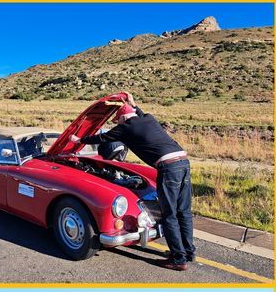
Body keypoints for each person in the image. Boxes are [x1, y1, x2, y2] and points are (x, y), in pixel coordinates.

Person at [82, 95, 194, 270]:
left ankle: (178, 259)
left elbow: (102, 139)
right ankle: (187, 251)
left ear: (123, 118)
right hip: (183, 162)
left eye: (118, 119)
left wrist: (79, 140)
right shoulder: (148, 119)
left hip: (168, 167)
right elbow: (139, 113)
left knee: (169, 214)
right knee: (184, 211)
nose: (117, 123)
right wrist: (133, 104)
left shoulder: (125, 127)